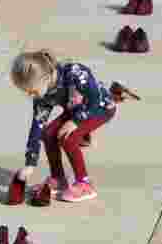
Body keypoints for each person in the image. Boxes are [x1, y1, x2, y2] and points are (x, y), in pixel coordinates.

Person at [10, 50, 116, 202]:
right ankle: (58, 179)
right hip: (76, 109)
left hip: (101, 107)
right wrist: (30, 164)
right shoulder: (42, 94)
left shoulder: (74, 73)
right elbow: (37, 127)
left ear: (46, 77)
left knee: (67, 137)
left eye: (32, 90)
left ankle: (84, 183)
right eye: (27, 92)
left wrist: (76, 121)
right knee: (48, 133)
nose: (31, 96)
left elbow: (95, 98)